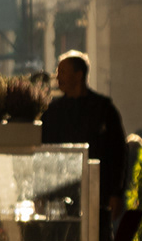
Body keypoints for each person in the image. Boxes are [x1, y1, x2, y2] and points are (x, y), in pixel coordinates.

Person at [42, 51, 128, 213]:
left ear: (79, 75)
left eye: (63, 73)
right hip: (62, 194)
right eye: (57, 73)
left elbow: (118, 152)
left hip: (98, 193)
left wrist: (116, 193)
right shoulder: (53, 112)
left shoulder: (103, 109)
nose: (58, 78)